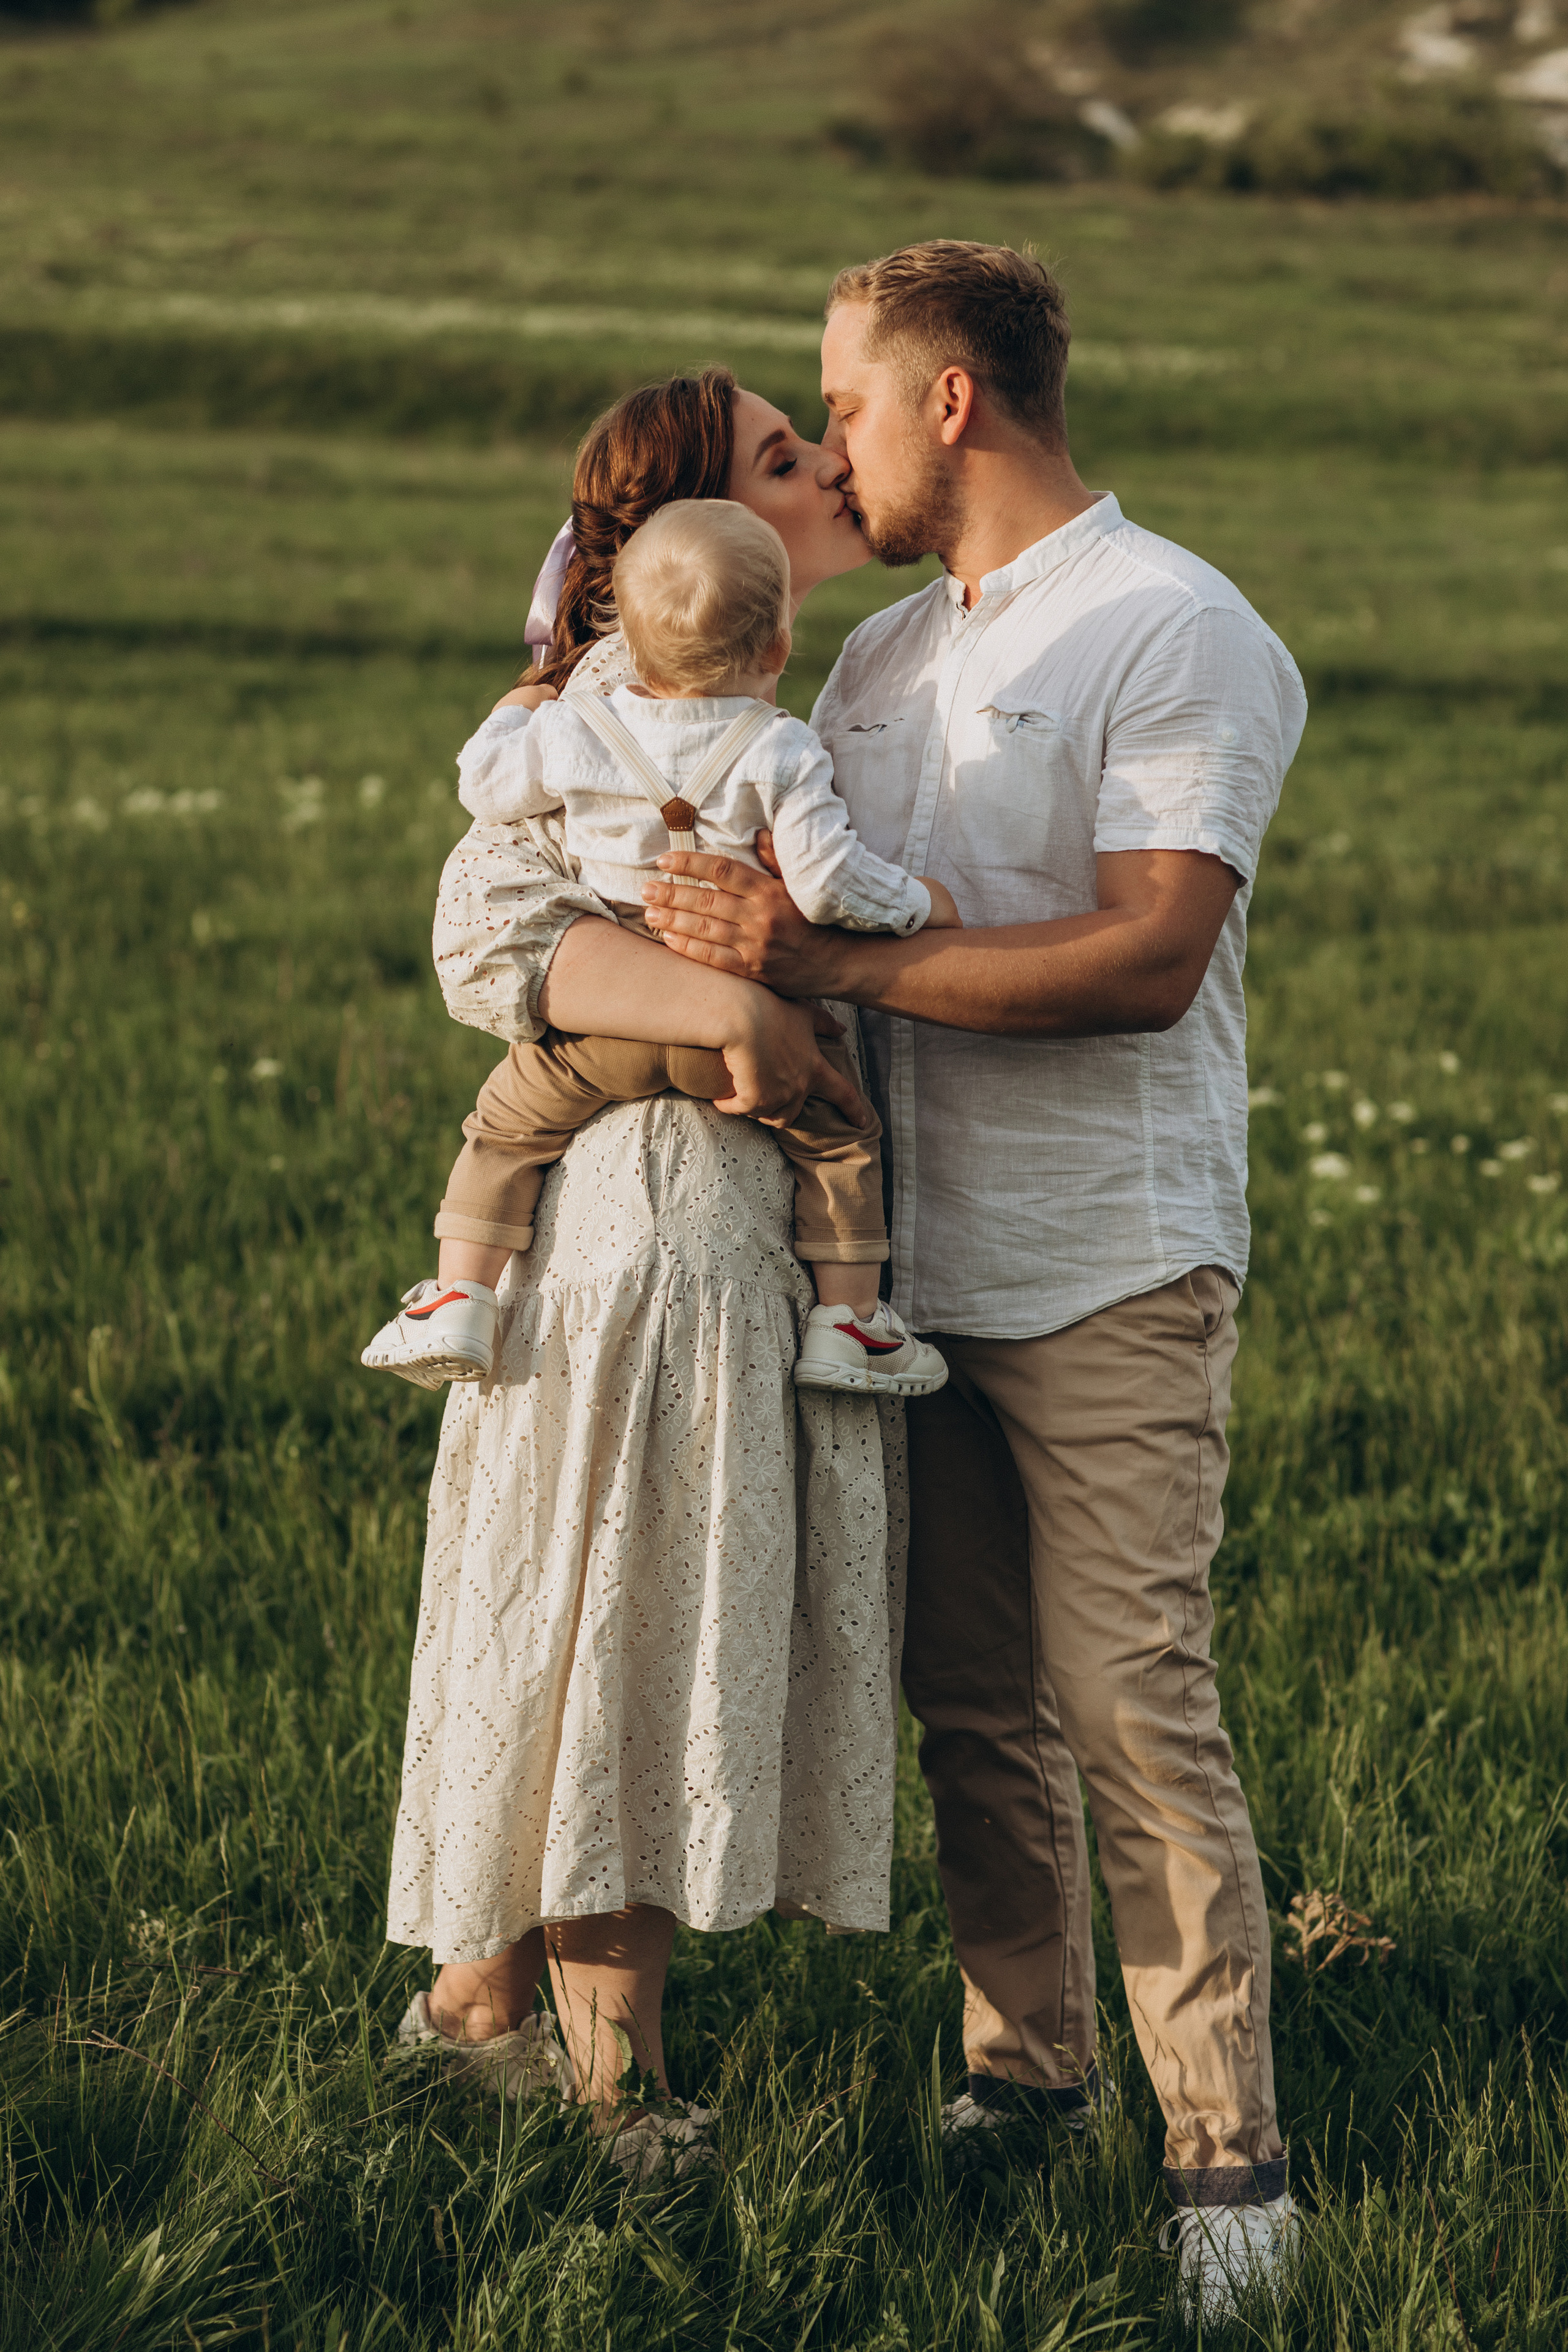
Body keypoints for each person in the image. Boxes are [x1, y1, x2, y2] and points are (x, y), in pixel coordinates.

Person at [640, 243, 1308, 2318]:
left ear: (949, 400)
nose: (822, 449)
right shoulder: (873, 669)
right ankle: (1024, 2077)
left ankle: (1232, 2173)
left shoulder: (1175, 625)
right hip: (909, 1276)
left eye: (840, 404)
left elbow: (1147, 957)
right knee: (973, 1717)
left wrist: (818, 960)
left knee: (1132, 1709)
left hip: (1111, 1260)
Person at [383, 368, 908, 2182]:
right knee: (641, 1610)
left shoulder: (777, 691)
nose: (830, 466)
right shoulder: (616, 704)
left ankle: (479, 2006)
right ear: (705, 534)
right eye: (786, 456)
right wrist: (748, 1010)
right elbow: (485, 939)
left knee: (577, 1585)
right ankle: (619, 2090)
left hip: (666, 1214)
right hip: (665, 1215)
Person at [361, 499, 954, 1401]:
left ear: (629, 649)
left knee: (506, 1127)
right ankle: (848, 1323)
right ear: (778, 650)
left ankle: (460, 1293)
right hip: (740, 1018)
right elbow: (832, 884)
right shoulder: (782, 749)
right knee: (838, 1140)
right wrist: (920, 905)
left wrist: (523, 703)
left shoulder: (577, 729)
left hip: (612, 1012)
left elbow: (482, 783)